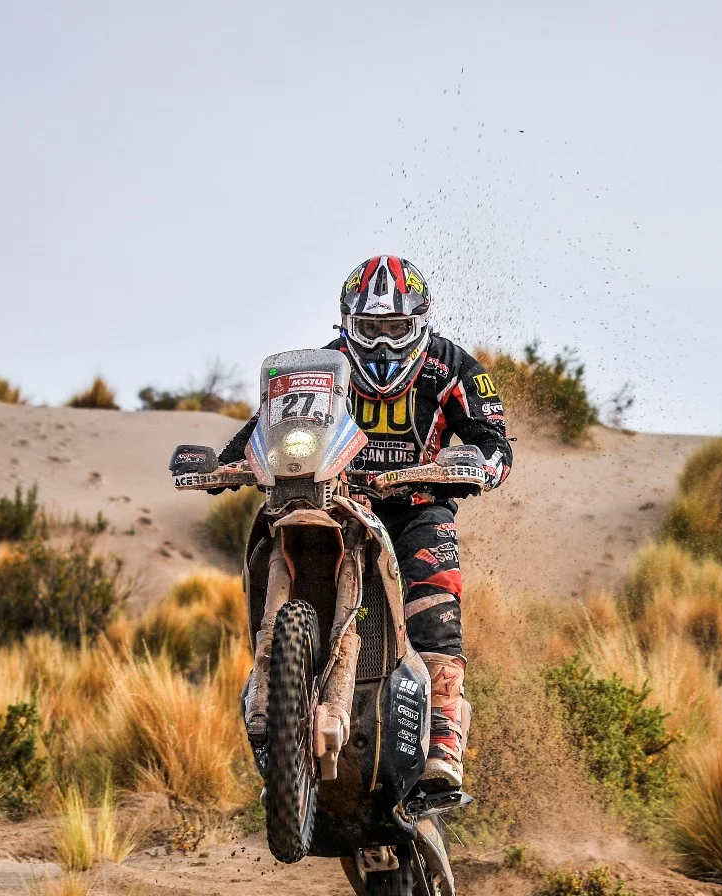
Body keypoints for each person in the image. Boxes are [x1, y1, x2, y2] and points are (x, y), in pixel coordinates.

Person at [218, 255, 511, 792]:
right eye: (369, 327)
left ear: (418, 323)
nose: (380, 342)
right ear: (347, 323)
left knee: (434, 603)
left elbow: (495, 441)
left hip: (417, 506)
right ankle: (281, 721)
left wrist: (478, 465)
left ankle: (442, 740)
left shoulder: (453, 368)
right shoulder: (324, 369)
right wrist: (225, 462)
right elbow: (267, 425)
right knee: (276, 554)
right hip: (338, 504)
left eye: (394, 328)